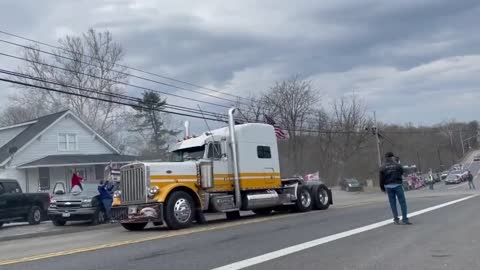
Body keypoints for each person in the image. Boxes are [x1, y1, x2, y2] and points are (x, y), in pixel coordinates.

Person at [380, 152, 412, 225]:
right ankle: (405, 219)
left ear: (385, 158)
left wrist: (382, 188)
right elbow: (401, 172)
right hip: (398, 185)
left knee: (393, 203)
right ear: (392, 157)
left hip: (388, 187)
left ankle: (396, 219)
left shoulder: (382, 167)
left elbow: (381, 179)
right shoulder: (398, 165)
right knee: (402, 203)